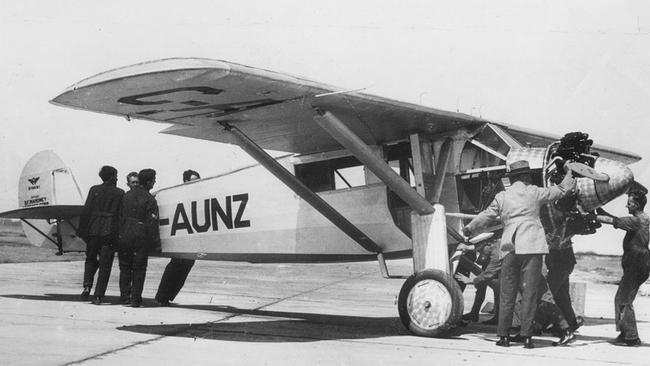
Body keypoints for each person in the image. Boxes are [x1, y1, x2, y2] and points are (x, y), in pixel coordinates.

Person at [463, 160, 576, 349]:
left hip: (510, 247)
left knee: (508, 293)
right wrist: (570, 171)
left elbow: (486, 215)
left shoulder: (502, 196)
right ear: (525, 177)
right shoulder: (534, 192)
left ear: (512, 178)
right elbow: (562, 190)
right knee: (531, 294)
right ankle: (527, 337)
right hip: (532, 247)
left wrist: (470, 228)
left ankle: (504, 337)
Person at [596, 191, 650, 346]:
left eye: (630, 203)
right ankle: (625, 332)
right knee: (620, 298)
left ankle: (631, 337)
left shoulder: (637, 221)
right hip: (639, 262)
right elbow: (615, 219)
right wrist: (599, 209)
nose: (627, 205)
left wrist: (589, 215)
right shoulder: (643, 218)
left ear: (637, 205)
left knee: (625, 299)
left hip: (636, 263)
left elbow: (611, 220)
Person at [78, 165, 124, 304]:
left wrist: (82, 230)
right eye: (116, 175)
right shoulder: (120, 193)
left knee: (90, 259)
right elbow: (121, 215)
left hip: (93, 229)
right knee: (105, 265)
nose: (117, 178)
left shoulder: (94, 190)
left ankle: (87, 286)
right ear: (111, 177)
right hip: (109, 232)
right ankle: (98, 295)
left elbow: (86, 211)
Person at [155, 169, 201, 306]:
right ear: (185, 182)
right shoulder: (179, 195)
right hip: (180, 236)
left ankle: (167, 296)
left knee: (186, 266)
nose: (197, 183)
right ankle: (162, 296)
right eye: (194, 181)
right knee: (176, 265)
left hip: (191, 238)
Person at [117, 168, 160, 307]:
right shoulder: (150, 199)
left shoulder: (126, 196)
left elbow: (119, 216)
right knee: (139, 268)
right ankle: (135, 299)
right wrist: (155, 243)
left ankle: (124, 297)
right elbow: (152, 223)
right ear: (148, 181)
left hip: (124, 235)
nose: (154, 182)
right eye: (153, 179)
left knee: (124, 267)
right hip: (140, 236)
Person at [455, 239, 501, 325]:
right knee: (481, 287)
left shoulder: (495, 249)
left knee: (496, 288)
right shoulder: (489, 245)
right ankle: (474, 313)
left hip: (496, 262)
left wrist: (471, 280)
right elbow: (482, 245)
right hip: (490, 259)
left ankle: (498, 316)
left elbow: (489, 274)